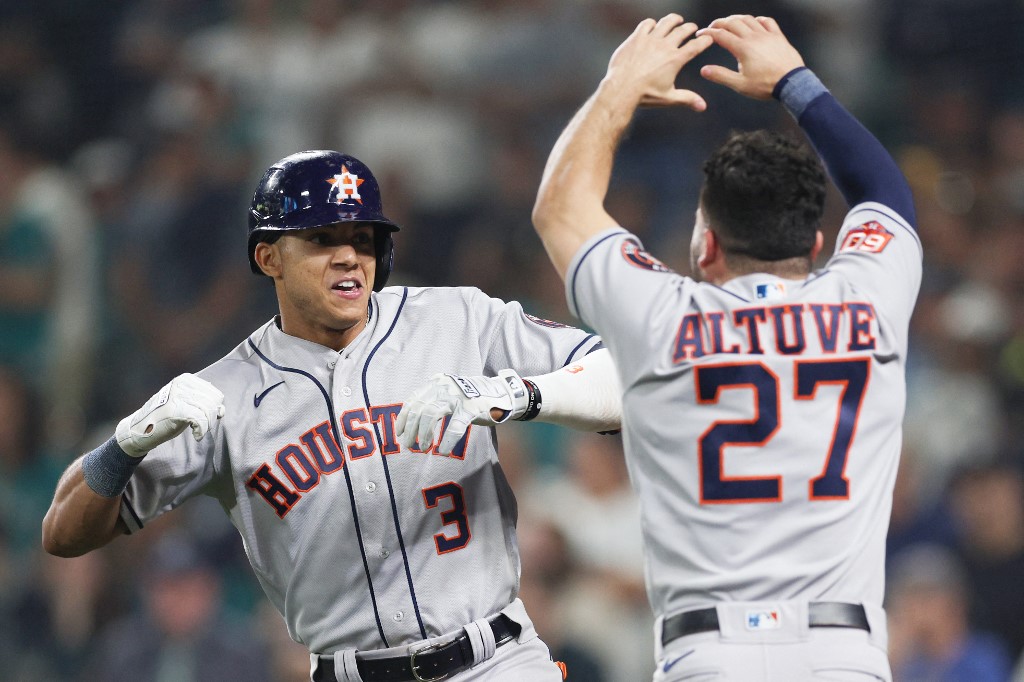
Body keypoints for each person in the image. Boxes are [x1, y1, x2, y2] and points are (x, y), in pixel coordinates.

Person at [42, 149, 622, 682]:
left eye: (363, 237)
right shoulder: (225, 395)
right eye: (322, 237)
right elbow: (63, 533)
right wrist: (123, 448)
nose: (349, 255)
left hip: (494, 661)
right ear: (268, 257)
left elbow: (626, 381)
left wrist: (512, 394)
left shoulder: (458, 321)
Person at [529, 13, 919, 681]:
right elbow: (885, 192)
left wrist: (618, 88)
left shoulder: (657, 317)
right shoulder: (869, 299)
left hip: (708, 655)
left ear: (705, 244)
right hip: (843, 655)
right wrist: (797, 85)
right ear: (818, 244)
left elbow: (561, 207)